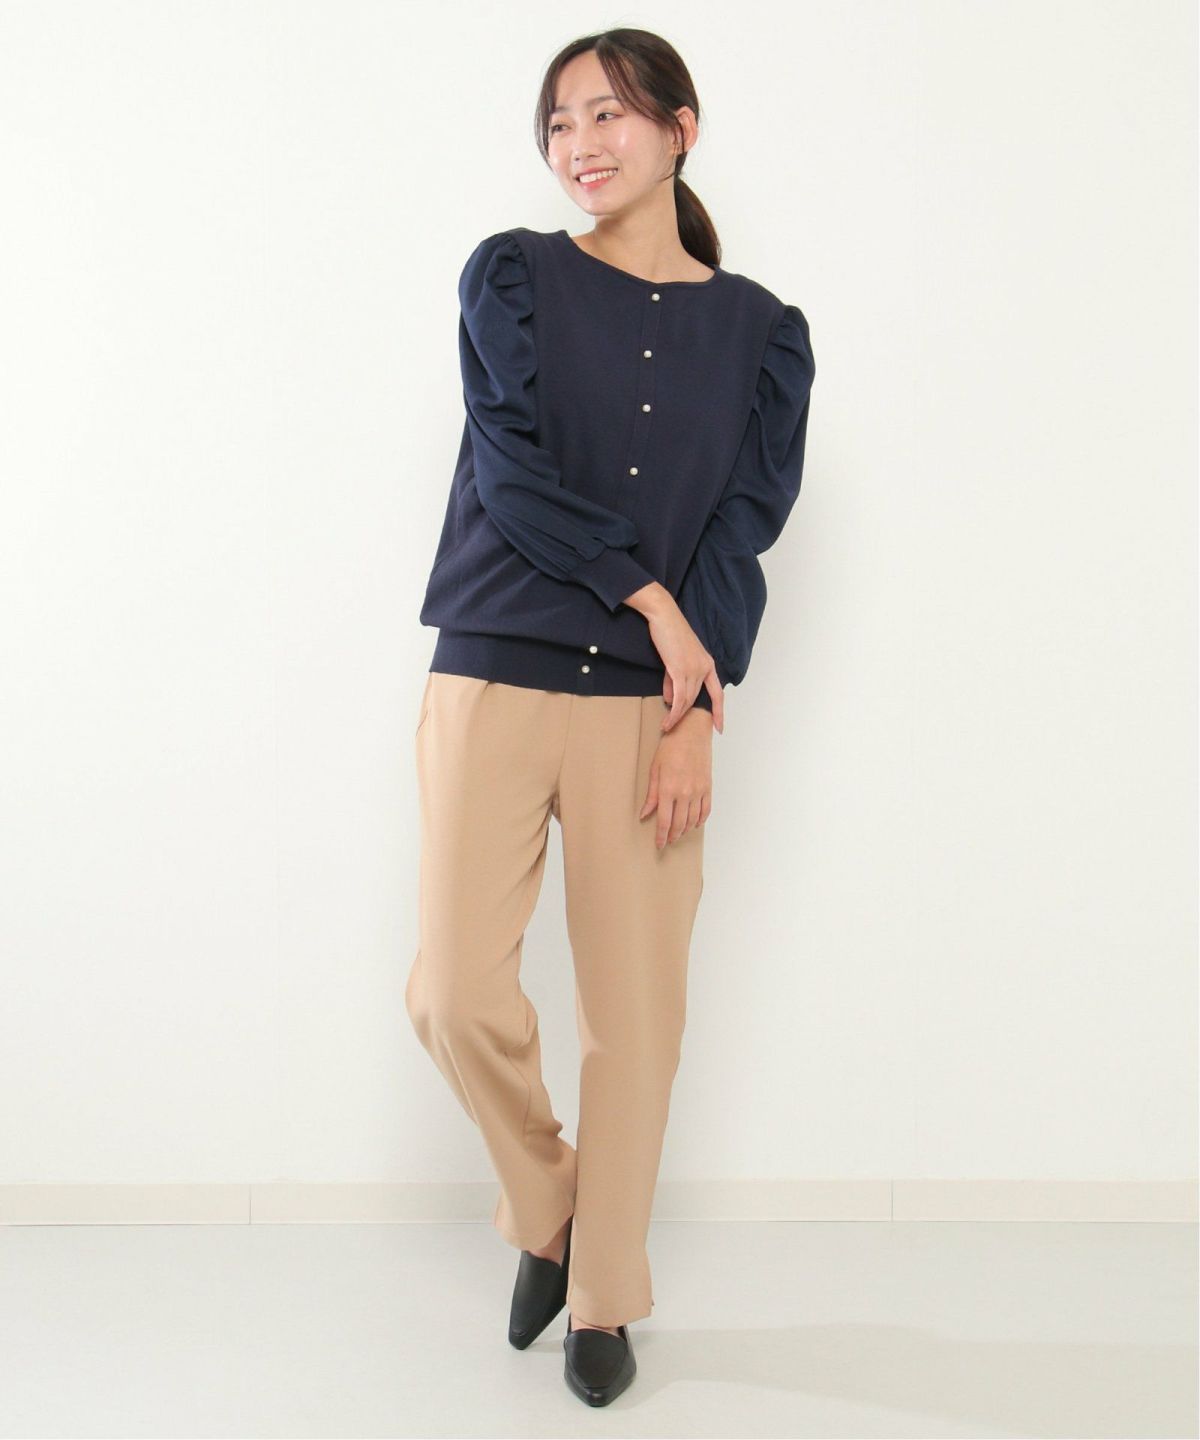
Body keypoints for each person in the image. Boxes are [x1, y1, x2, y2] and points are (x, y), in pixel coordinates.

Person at [405, 25, 815, 1408]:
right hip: (495, 675)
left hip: (652, 712)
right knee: (452, 992)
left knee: (633, 1022)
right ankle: (550, 1205)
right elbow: (509, 471)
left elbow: (742, 530)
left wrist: (697, 715)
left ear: (681, 129)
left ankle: (604, 1297)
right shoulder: (512, 277)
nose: (582, 143)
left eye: (612, 115)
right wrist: (648, 599)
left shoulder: (763, 334)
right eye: (562, 120)